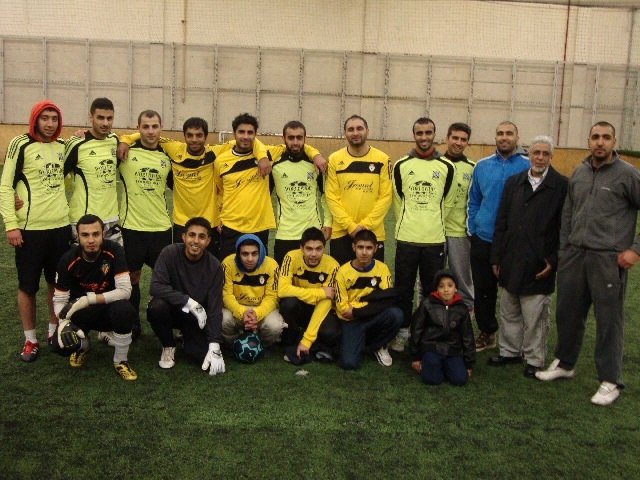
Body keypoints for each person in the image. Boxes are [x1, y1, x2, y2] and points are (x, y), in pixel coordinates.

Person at [536, 122, 640, 406]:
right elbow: (568, 214)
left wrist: (635, 250)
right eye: (595, 137)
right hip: (574, 256)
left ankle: (610, 380)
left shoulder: (628, 174)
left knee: (609, 320)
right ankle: (565, 364)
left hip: (608, 258)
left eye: (606, 138)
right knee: (568, 312)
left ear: (614, 141)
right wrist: (565, 248)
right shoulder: (580, 172)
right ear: (588, 140)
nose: (600, 142)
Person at [118, 116, 270, 259]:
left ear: (205, 137)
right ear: (184, 136)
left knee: (211, 266)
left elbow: (252, 141)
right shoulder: (174, 149)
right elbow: (149, 135)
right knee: (181, 266)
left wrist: (262, 156)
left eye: (199, 135)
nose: (194, 140)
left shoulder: (214, 152)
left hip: (210, 222)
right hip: (182, 223)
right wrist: (125, 140)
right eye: (190, 135)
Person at [488, 136, 568, 378]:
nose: (540, 157)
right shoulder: (515, 182)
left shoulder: (562, 185)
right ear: (529, 155)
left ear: (551, 157)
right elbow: (501, 222)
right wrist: (496, 256)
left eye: (545, 153)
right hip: (511, 259)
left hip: (539, 263)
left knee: (535, 316)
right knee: (509, 310)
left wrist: (554, 260)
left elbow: (567, 227)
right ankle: (510, 351)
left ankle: (534, 359)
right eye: (536, 153)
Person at [0, 100, 71, 362]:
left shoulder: (63, 147)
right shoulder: (21, 144)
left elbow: (69, 178)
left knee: (57, 284)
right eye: (45, 118)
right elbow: (6, 186)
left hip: (60, 227)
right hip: (30, 230)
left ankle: (54, 332)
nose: (50, 124)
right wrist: (11, 225)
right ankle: (31, 339)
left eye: (54, 118)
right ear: (35, 120)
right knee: (27, 286)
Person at [51, 214, 137, 380]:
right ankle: (83, 345)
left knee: (125, 311)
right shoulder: (67, 259)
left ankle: (121, 360)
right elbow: (60, 300)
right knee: (59, 346)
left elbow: (126, 290)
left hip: (108, 309)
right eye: (85, 235)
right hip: (81, 311)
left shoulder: (114, 250)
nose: (91, 240)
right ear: (78, 237)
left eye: (95, 234)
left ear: (103, 234)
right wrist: (63, 323)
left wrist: (89, 299)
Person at [391, 117, 455, 343]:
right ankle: (402, 331)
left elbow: (447, 202)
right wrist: (410, 221)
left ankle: (427, 330)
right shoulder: (401, 165)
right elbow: (398, 200)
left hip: (434, 239)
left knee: (431, 290)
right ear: (414, 135)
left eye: (428, 133)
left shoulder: (447, 166)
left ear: (435, 135)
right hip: (406, 238)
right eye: (420, 133)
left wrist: (432, 220)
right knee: (403, 289)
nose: (424, 137)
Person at [468, 121, 529, 352]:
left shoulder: (528, 165)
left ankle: (517, 339)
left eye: (509, 133)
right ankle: (487, 331)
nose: (504, 137)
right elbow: (473, 200)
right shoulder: (481, 166)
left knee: (515, 291)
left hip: (515, 242)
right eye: (500, 133)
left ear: (517, 136)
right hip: (483, 238)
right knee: (483, 290)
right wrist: (474, 229)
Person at [117, 110, 173, 337]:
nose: (151, 131)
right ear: (138, 127)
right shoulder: (125, 153)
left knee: (165, 280)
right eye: (146, 126)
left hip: (161, 228)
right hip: (132, 228)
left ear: (161, 127)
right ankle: (132, 323)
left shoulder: (168, 155)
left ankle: (164, 324)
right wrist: (125, 140)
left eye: (155, 126)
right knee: (132, 278)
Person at [147, 217, 225, 375]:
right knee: (156, 307)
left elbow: (215, 308)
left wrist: (214, 345)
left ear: (208, 241)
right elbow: (156, 287)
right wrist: (188, 302)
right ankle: (168, 345)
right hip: (173, 310)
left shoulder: (215, 266)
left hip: (197, 318)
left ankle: (187, 339)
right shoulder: (169, 252)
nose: (196, 241)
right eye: (192, 235)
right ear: (184, 237)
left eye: (201, 237)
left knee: (204, 359)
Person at [326, 115, 392, 265]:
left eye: (359, 128)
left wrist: (364, 226)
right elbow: (331, 197)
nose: (355, 133)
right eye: (351, 129)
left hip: (373, 233)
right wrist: (351, 226)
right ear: (345, 133)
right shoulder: (335, 159)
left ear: (367, 131)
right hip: (341, 232)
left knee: (372, 283)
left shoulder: (382, 159)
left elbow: (386, 197)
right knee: (341, 282)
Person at [335, 229, 403, 369]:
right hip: (351, 321)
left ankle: (378, 346)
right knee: (349, 364)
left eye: (369, 248)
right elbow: (343, 309)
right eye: (360, 247)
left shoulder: (382, 269)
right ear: (353, 247)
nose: (364, 252)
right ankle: (355, 341)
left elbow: (388, 301)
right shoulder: (342, 272)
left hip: (367, 316)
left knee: (396, 314)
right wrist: (372, 302)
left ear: (375, 249)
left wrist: (357, 311)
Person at [213, 113, 274, 259]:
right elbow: (219, 190)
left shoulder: (268, 154)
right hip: (231, 226)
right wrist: (218, 217)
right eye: (241, 132)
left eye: (250, 132)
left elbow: (292, 146)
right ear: (234, 133)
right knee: (228, 270)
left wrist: (315, 155)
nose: (246, 136)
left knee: (258, 271)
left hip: (259, 226)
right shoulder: (221, 161)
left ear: (255, 135)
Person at [271, 121, 331, 264]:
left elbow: (325, 196)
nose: (295, 142)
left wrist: (328, 222)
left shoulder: (315, 164)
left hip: (312, 233)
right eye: (291, 138)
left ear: (305, 139)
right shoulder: (275, 165)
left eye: (299, 138)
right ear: (283, 139)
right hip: (285, 234)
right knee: (283, 280)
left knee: (314, 280)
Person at [278, 227, 341, 363]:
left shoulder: (333, 266)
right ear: (301, 248)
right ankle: (292, 342)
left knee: (330, 333)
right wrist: (319, 292)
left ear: (324, 248)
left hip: (320, 309)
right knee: (288, 304)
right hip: (300, 306)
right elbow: (282, 290)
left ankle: (304, 344)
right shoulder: (291, 257)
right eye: (309, 249)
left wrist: (307, 339)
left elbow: (326, 302)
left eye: (318, 249)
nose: (314, 254)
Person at [64, 97, 121, 244]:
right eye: (100, 118)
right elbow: (58, 174)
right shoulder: (77, 143)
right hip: (83, 221)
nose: (105, 123)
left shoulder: (114, 140)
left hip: (112, 220)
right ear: (91, 117)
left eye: (110, 118)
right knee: (84, 266)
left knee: (114, 265)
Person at [407, 270, 475, 386]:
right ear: (436, 289)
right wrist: (415, 357)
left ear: (456, 288)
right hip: (431, 347)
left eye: (450, 285)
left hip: (452, 349)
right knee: (432, 380)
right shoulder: (427, 304)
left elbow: (468, 336)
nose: (446, 290)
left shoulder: (462, 308)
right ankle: (432, 365)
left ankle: (446, 366)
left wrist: (469, 364)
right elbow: (416, 330)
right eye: (441, 286)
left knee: (460, 380)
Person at [221, 234, 286, 350]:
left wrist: (257, 313)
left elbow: (272, 297)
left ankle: (262, 345)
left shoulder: (272, 265)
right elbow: (226, 296)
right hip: (237, 308)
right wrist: (242, 312)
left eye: (254, 254)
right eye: (245, 254)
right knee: (223, 319)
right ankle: (233, 345)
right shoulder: (228, 264)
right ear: (238, 253)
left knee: (274, 325)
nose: (250, 259)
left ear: (260, 252)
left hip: (261, 308)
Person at [442, 122, 476, 311]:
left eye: (463, 139)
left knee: (462, 278)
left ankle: (466, 317)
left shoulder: (472, 168)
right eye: (455, 138)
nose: (458, 143)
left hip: (460, 232)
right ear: (447, 139)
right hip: (434, 232)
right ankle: (428, 316)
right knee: (429, 279)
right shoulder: (436, 164)